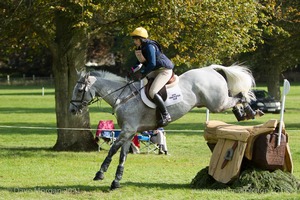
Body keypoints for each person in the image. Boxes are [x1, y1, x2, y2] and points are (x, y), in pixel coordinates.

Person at [130, 27, 174, 127]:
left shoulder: (150, 47)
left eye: (136, 39)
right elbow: (139, 63)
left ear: (141, 39)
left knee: (152, 92)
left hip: (164, 70)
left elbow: (152, 64)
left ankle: (166, 115)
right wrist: (132, 70)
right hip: (155, 70)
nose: (134, 41)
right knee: (140, 83)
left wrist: (143, 72)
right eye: (134, 39)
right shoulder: (140, 48)